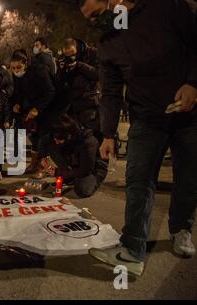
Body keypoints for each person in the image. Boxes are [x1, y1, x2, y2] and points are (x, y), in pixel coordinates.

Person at [79, 0, 197, 276]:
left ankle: (181, 229)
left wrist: (193, 83)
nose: (88, 13)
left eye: (91, 5)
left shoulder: (168, 7)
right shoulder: (109, 41)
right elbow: (110, 91)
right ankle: (132, 249)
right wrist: (108, 133)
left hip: (190, 116)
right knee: (138, 182)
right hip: (146, 118)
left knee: (189, 179)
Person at [37, 114, 108, 197]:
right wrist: (42, 157)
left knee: (83, 190)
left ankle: (92, 179)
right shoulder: (57, 134)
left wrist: (58, 172)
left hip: (92, 169)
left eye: (59, 139)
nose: (56, 141)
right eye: (55, 138)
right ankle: (69, 176)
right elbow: (43, 140)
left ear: (69, 135)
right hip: (73, 162)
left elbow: (86, 169)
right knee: (52, 145)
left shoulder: (88, 141)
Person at [9, 49, 56, 174]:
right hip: (31, 108)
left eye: (18, 67)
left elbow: (50, 91)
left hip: (47, 107)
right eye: (13, 68)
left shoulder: (39, 71)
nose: (16, 70)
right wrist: (16, 104)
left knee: (43, 137)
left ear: (25, 63)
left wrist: (37, 108)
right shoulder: (16, 74)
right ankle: (34, 163)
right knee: (34, 137)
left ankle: (42, 166)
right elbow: (18, 92)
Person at [55, 38, 101, 141]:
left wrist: (79, 65)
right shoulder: (64, 59)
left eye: (73, 54)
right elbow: (59, 84)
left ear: (78, 49)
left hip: (91, 103)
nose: (71, 57)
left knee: (92, 138)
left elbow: (98, 74)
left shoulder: (92, 53)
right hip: (74, 106)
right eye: (67, 55)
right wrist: (61, 71)